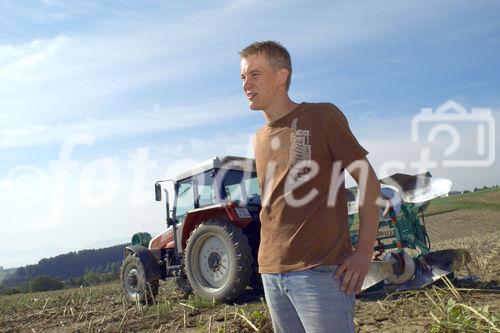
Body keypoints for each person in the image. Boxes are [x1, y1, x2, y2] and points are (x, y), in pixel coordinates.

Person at [239, 41, 381, 333]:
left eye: (255, 74)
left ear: (281, 77)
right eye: (242, 77)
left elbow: (369, 182)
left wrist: (364, 253)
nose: (246, 84)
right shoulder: (259, 138)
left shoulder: (321, 116)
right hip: (271, 273)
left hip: (319, 272)